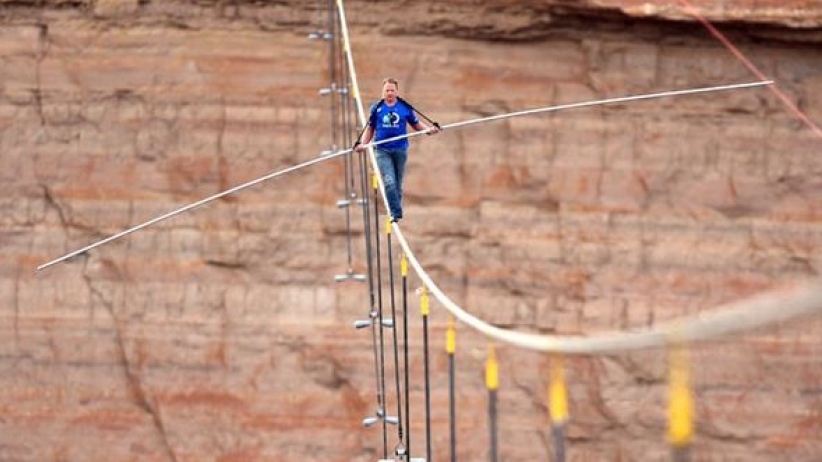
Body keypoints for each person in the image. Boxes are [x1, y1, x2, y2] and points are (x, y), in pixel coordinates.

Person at [355, 77, 440, 222]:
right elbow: (370, 128)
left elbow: (416, 124)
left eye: (392, 90)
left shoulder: (404, 107)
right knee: (389, 182)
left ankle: (395, 211)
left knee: (397, 184)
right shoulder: (376, 108)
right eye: (387, 90)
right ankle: (395, 212)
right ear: (383, 91)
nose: (389, 93)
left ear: (396, 91)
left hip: (400, 150)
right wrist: (362, 144)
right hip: (382, 150)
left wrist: (429, 130)